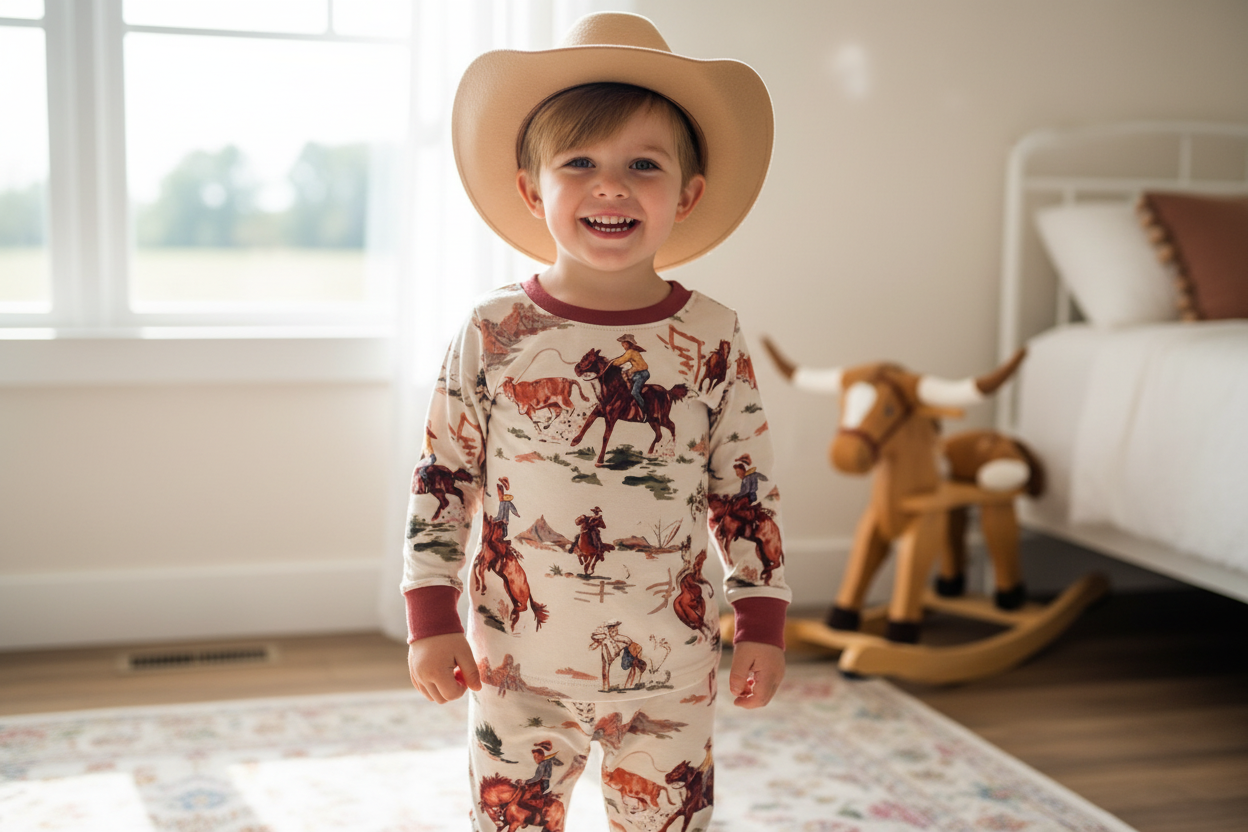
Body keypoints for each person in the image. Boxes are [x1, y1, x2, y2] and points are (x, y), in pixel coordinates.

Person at [401, 13, 790, 831]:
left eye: (641, 165)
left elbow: (744, 490)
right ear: (531, 189)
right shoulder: (492, 332)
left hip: (672, 671)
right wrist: (430, 615)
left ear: (685, 196)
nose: (610, 185)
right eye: (580, 163)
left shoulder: (711, 335)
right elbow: (443, 479)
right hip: (516, 668)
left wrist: (761, 618)